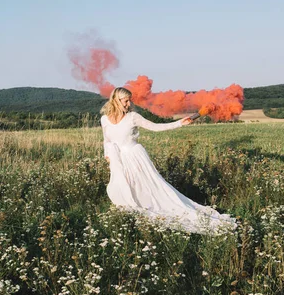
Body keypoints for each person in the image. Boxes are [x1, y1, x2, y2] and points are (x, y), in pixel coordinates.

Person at [100, 87, 237, 234]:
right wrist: (107, 155)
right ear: (116, 100)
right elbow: (106, 140)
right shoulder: (104, 120)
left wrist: (179, 123)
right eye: (126, 101)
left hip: (135, 157)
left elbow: (156, 127)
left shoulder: (133, 117)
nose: (129, 104)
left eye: (129, 100)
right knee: (123, 186)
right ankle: (132, 210)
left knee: (145, 186)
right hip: (118, 160)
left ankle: (151, 207)